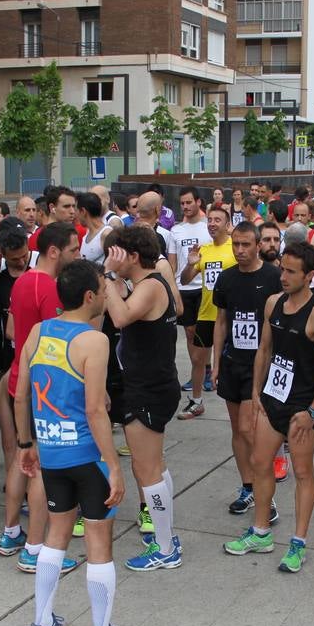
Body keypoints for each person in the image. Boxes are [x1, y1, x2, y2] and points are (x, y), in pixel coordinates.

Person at [15, 259, 125, 626]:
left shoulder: (38, 332)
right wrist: (113, 464)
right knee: (98, 540)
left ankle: (42, 624)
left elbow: (22, 393)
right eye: (104, 287)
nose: (107, 293)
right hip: (86, 455)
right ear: (90, 296)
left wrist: (26, 443)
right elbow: (96, 410)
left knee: (54, 535)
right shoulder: (95, 341)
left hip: (51, 453)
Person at [223, 241, 314, 572]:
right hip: (272, 398)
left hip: (303, 405)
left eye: (291, 272)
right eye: (283, 269)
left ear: (309, 276)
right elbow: (264, 349)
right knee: (260, 462)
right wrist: (257, 391)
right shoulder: (273, 302)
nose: (283, 276)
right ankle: (260, 532)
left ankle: (298, 542)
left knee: (303, 472)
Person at [1, 222, 81, 573]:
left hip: (20, 378)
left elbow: (12, 329)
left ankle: (10, 532)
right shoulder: (49, 287)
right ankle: (34, 549)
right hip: (41, 387)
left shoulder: (21, 282)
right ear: (54, 251)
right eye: (73, 250)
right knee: (42, 469)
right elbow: (57, 342)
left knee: (22, 455)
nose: (77, 255)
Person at [104, 225, 184, 571]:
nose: (112, 258)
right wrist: (119, 281)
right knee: (156, 467)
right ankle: (166, 536)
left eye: (118, 252)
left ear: (132, 256)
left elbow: (120, 317)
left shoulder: (150, 286)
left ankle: (165, 548)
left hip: (147, 389)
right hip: (154, 385)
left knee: (145, 470)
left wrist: (108, 275)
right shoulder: (151, 283)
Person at [210, 221, 281, 517]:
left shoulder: (274, 277)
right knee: (237, 431)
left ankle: (268, 495)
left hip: (260, 364)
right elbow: (222, 321)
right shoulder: (226, 279)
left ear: (257, 245)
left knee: (248, 429)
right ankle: (249, 488)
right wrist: (215, 363)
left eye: (246, 245)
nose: (240, 250)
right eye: (236, 244)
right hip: (232, 361)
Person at [177, 205, 235, 420]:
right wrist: (190, 265)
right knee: (198, 361)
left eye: (217, 220)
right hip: (206, 314)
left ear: (227, 225)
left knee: (233, 362)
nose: (212, 224)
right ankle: (197, 401)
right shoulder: (203, 250)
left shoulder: (234, 248)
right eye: (209, 220)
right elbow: (184, 280)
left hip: (229, 317)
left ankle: (238, 402)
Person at [170, 187, 212, 397]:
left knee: (205, 331)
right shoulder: (176, 230)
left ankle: (206, 369)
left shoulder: (208, 228)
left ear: (198, 202)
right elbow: (172, 262)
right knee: (189, 332)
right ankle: (199, 368)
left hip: (204, 287)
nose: (185, 207)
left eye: (189, 202)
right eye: (182, 203)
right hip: (184, 287)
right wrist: (174, 286)